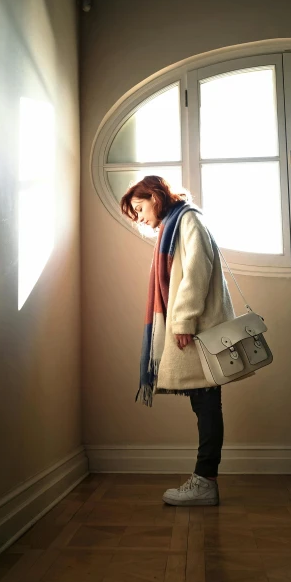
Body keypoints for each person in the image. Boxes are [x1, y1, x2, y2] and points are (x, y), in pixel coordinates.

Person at [120, 175, 235, 506]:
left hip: (196, 327)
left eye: (139, 208)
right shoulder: (178, 223)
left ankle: (204, 482)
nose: (139, 217)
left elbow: (196, 270)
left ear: (155, 198)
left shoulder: (187, 219)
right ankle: (204, 480)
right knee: (205, 402)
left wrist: (183, 319)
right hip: (194, 326)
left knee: (206, 402)